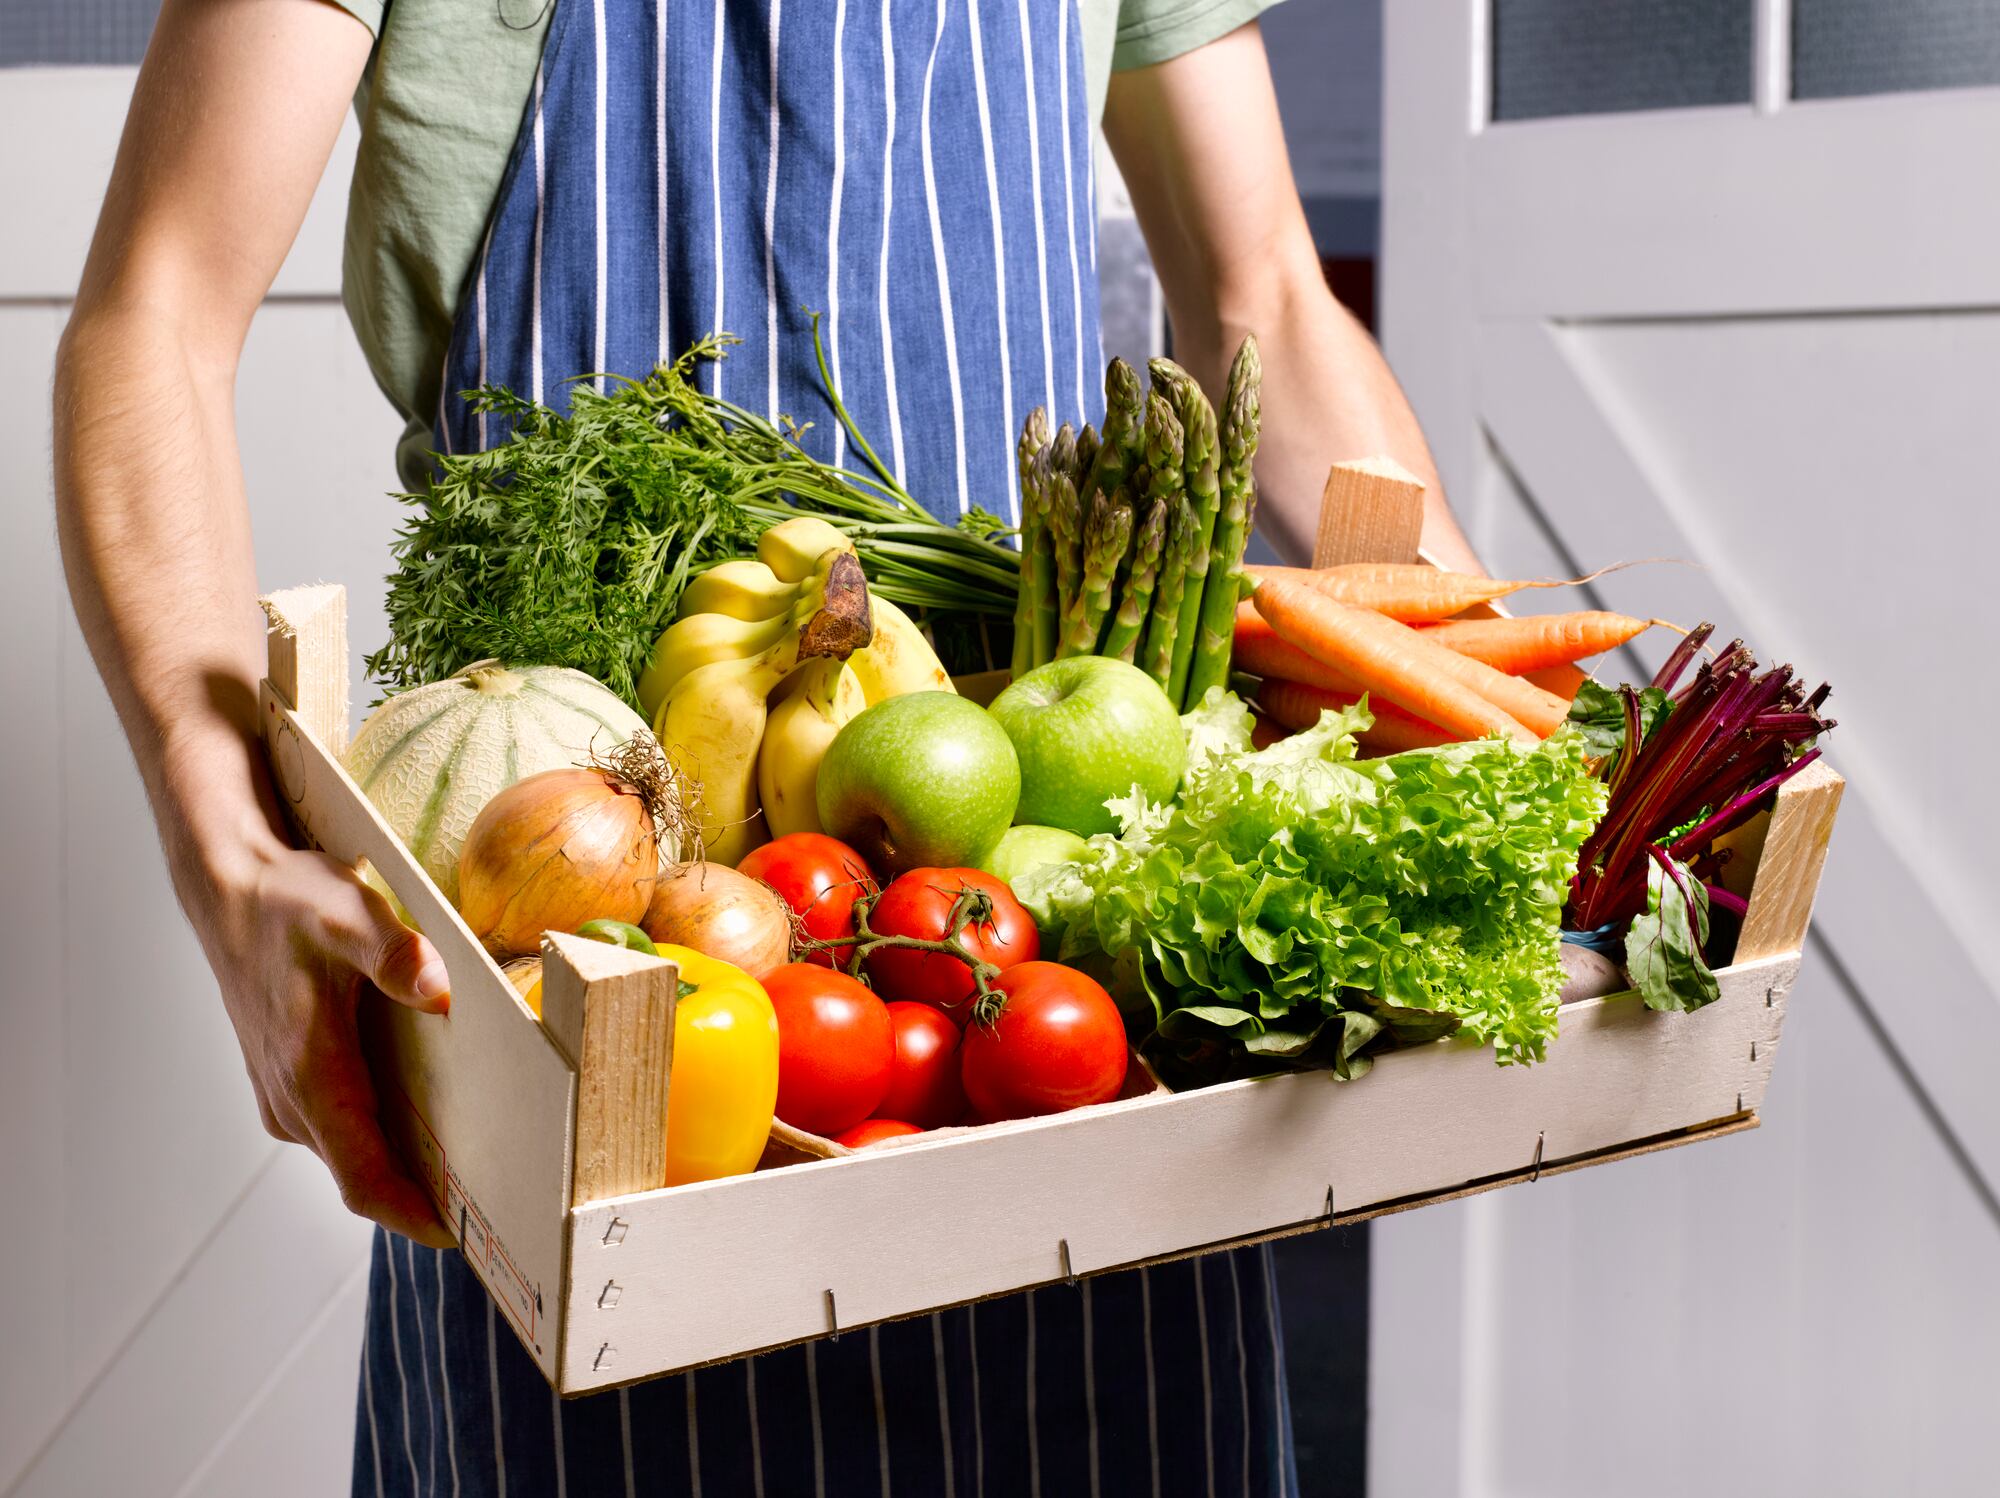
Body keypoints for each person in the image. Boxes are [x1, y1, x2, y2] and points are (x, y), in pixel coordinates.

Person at [54, 0, 1471, 1492]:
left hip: (1033, 993)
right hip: (579, 1001)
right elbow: (153, 319)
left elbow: (1269, 298)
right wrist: (222, 840)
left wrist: (1497, 708)